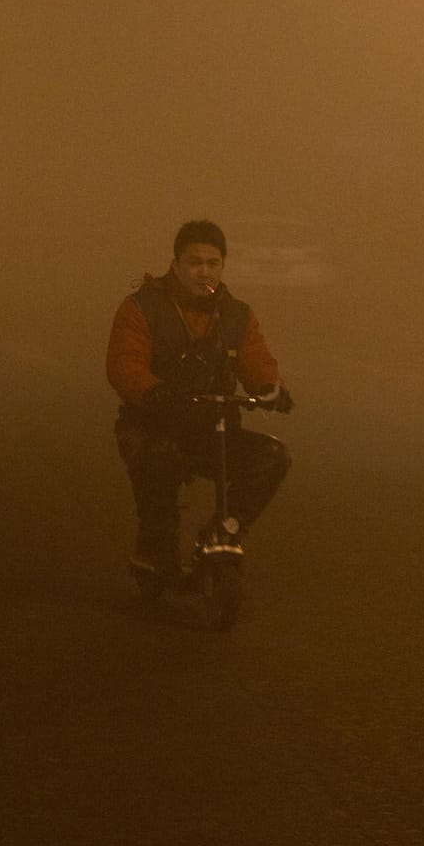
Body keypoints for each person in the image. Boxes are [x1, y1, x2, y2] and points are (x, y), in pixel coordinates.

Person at [105, 219, 295, 581]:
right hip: (152, 425)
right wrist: (153, 391)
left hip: (212, 429)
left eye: (213, 263)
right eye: (194, 263)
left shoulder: (237, 315)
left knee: (272, 458)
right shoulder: (141, 308)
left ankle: (224, 532)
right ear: (176, 264)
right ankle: (155, 545)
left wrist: (272, 390)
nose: (204, 272)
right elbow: (123, 364)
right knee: (159, 460)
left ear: (222, 266)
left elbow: (257, 363)